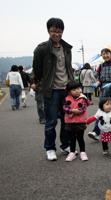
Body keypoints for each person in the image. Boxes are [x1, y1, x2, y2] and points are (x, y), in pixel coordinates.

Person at [32, 18, 74, 161]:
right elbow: (37, 70)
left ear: (62, 31)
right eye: (53, 30)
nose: (56, 33)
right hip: (51, 90)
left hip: (66, 89)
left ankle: (65, 145)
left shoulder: (67, 48)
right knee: (51, 121)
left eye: (59, 30)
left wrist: (73, 85)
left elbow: (68, 68)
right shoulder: (42, 49)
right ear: (48, 31)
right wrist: (39, 84)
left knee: (66, 119)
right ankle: (50, 148)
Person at [88, 47, 111, 141]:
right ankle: (96, 132)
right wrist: (97, 83)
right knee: (101, 112)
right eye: (103, 54)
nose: (105, 55)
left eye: (107, 53)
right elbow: (99, 78)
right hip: (104, 91)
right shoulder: (101, 66)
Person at [63, 81, 89, 161]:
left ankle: (82, 152)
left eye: (78, 88)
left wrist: (73, 111)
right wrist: (71, 111)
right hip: (69, 122)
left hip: (80, 122)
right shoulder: (66, 98)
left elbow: (83, 108)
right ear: (69, 91)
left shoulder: (83, 98)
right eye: (74, 90)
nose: (77, 91)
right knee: (71, 138)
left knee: (80, 137)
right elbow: (65, 107)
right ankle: (72, 152)